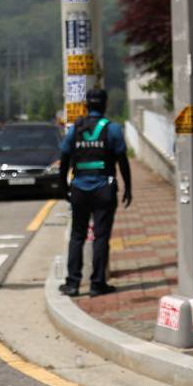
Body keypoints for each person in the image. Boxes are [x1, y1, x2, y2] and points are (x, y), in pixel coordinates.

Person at [58, 88, 131, 298]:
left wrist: (64, 186)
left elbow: (64, 159)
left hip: (79, 187)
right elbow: (122, 161)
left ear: (86, 106)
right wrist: (128, 187)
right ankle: (97, 284)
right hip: (104, 189)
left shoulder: (75, 129)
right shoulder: (113, 129)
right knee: (101, 237)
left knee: (77, 236)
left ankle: (72, 283)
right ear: (106, 104)